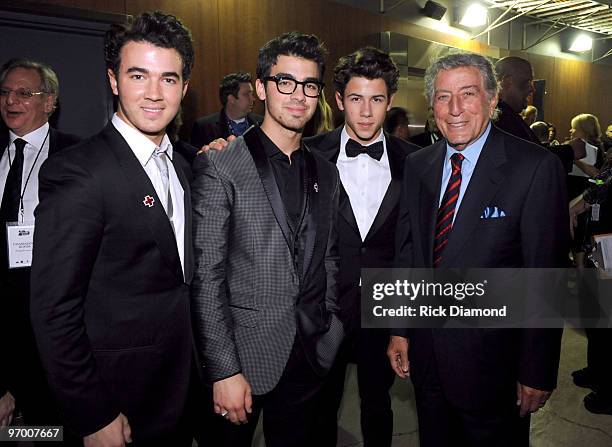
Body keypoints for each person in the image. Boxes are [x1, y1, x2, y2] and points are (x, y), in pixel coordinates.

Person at [30, 11, 195, 446]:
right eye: (139, 75)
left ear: (185, 87)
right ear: (114, 80)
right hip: (115, 398)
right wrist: (93, 412)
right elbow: (53, 311)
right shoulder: (78, 173)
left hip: (178, 390)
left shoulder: (185, 165)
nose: (155, 93)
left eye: (169, 79)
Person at [387, 52, 568, 446]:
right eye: (442, 96)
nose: (454, 109)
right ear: (431, 105)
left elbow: (547, 277)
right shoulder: (418, 165)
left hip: (495, 369)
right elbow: (409, 254)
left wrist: (537, 370)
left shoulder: (535, 167)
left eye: (467, 94)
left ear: (491, 98)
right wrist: (400, 329)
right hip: (428, 361)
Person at [191, 32, 344, 447]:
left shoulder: (326, 172)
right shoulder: (221, 164)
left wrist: (331, 328)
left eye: (310, 85)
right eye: (285, 82)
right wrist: (223, 370)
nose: (299, 96)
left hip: (310, 353)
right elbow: (206, 276)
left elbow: (329, 259)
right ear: (261, 88)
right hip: (243, 355)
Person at [305, 47, 419, 447]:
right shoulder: (307, 155)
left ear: (390, 101)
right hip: (326, 306)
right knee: (322, 406)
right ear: (338, 101)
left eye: (376, 99)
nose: (366, 112)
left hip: (385, 304)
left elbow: (416, 248)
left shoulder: (417, 162)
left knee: (378, 403)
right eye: (355, 99)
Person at [0, 58, 79, 433]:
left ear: (49, 102)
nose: (10, 100)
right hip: (3, 318)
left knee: (47, 423)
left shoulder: (76, 156)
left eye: (23, 93)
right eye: (4, 92)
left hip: (50, 314)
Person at [190, 71, 262, 148]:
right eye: (246, 94)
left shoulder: (262, 123)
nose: (253, 99)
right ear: (231, 99)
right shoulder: (204, 127)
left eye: (252, 94)